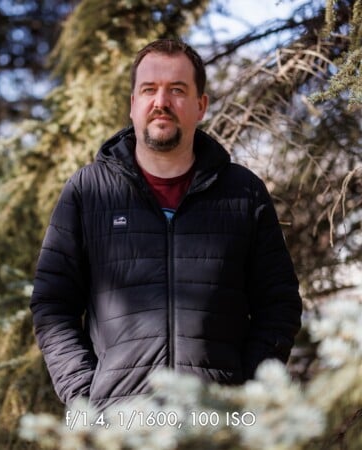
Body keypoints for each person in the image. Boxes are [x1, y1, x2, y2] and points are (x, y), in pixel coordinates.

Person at [30, 39, 302, 412]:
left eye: (177, 90)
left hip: (216, 426)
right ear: (133, 105)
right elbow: (52, 304)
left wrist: (245, 394)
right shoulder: (89, 191)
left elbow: (279, 305)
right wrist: (83, 396)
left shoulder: (243, 193)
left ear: (200, 105)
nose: (161, 102)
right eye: (149, 90)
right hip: (117, 428)